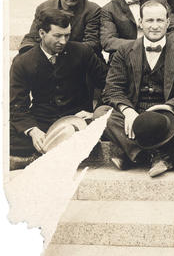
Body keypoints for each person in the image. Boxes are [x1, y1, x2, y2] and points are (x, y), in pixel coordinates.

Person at [101, 0, 174, 177]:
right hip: (134, 110)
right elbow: (112, 88)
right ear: (140, 22)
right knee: (102, 116)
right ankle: (154, 155)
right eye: (150, 20)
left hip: (166, 114)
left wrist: (166, 107)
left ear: (168, 23)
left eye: (159, 21)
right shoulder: (124, 51)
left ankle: (127, 152)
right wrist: (128, 111)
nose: (155, 26)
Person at [9, 9, 108, 166]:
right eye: (57, 36)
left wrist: (95, 112)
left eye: (67, 35)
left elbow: (109, 84)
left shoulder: (83, 52)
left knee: (90, 133)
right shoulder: (23, 62)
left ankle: (36, 157)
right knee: (8, 136)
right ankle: (53, 151)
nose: (63, 41)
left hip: (78, 120)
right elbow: (16, 106)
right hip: (42, 120)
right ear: (42, 33)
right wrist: (33, 130)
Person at [18, 0, 101, 54]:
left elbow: (92, 43)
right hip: (51, 55)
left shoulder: (92, 10)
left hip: (79, 57)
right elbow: (32, 38)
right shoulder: (44, 8)